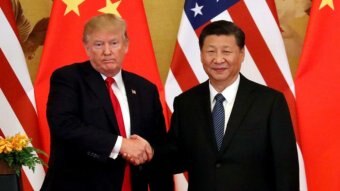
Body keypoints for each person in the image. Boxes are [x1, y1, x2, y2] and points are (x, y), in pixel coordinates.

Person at [41, 14, 173, 191]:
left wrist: (147, 150)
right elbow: (64, 125)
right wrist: (122, 145)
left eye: (114, 43)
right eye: (98, 44)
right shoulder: (68, 78)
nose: (107, 51)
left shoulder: (145, 89)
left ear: (126, 45)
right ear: (87, 48)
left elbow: (159, 146)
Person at [162, 20, 299, 190]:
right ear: (201, 55)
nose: (218, 59)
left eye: (226, 51)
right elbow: (175, 159)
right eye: (210, 51)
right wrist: (147, 151)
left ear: (241, 54)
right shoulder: (186, 103)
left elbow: (286, 169)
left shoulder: (270, 102)